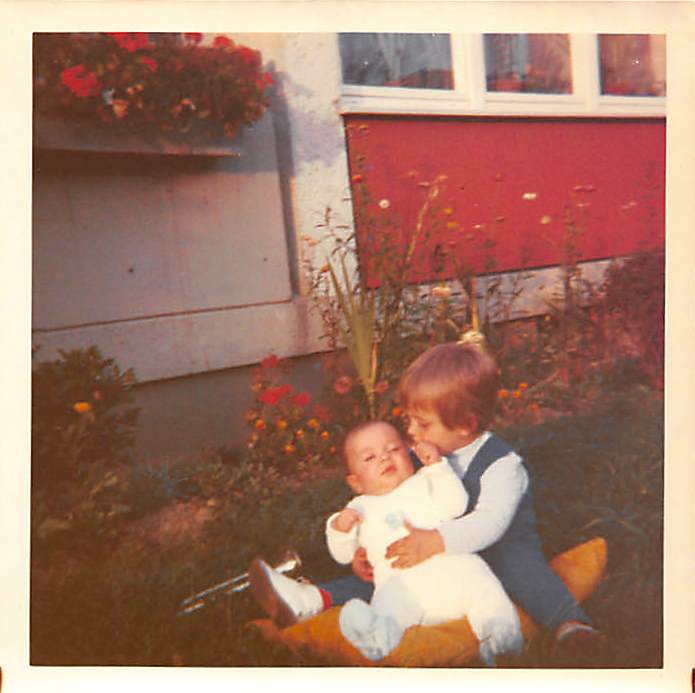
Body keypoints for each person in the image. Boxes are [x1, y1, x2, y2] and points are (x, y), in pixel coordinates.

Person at [249, 339, 603, 663]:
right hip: (433, 555)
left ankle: (569, 624)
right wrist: (369, 550)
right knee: (393, 571)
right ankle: (309, 600)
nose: (411, 432)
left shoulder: (502, 465)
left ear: (465, 423)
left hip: (498, 548)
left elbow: (489, 523)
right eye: (409, 421)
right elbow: (389, 504)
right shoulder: (421, 455)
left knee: (523, 572)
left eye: (422, 423)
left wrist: (435, 541)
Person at [249, 420, 522, 664]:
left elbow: (456, 504)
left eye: (393, 449)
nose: (384, 458)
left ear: (409, 454)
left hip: (453, 572)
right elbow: (342, 555)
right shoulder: (359, 507)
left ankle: (501, 639)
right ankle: (377, 636)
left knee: (483, 586)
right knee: (388, 604)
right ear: (356, 483)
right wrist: (340, 529)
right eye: (370, 457)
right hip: (400, 584)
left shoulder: (425, 481)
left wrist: (438, 468)